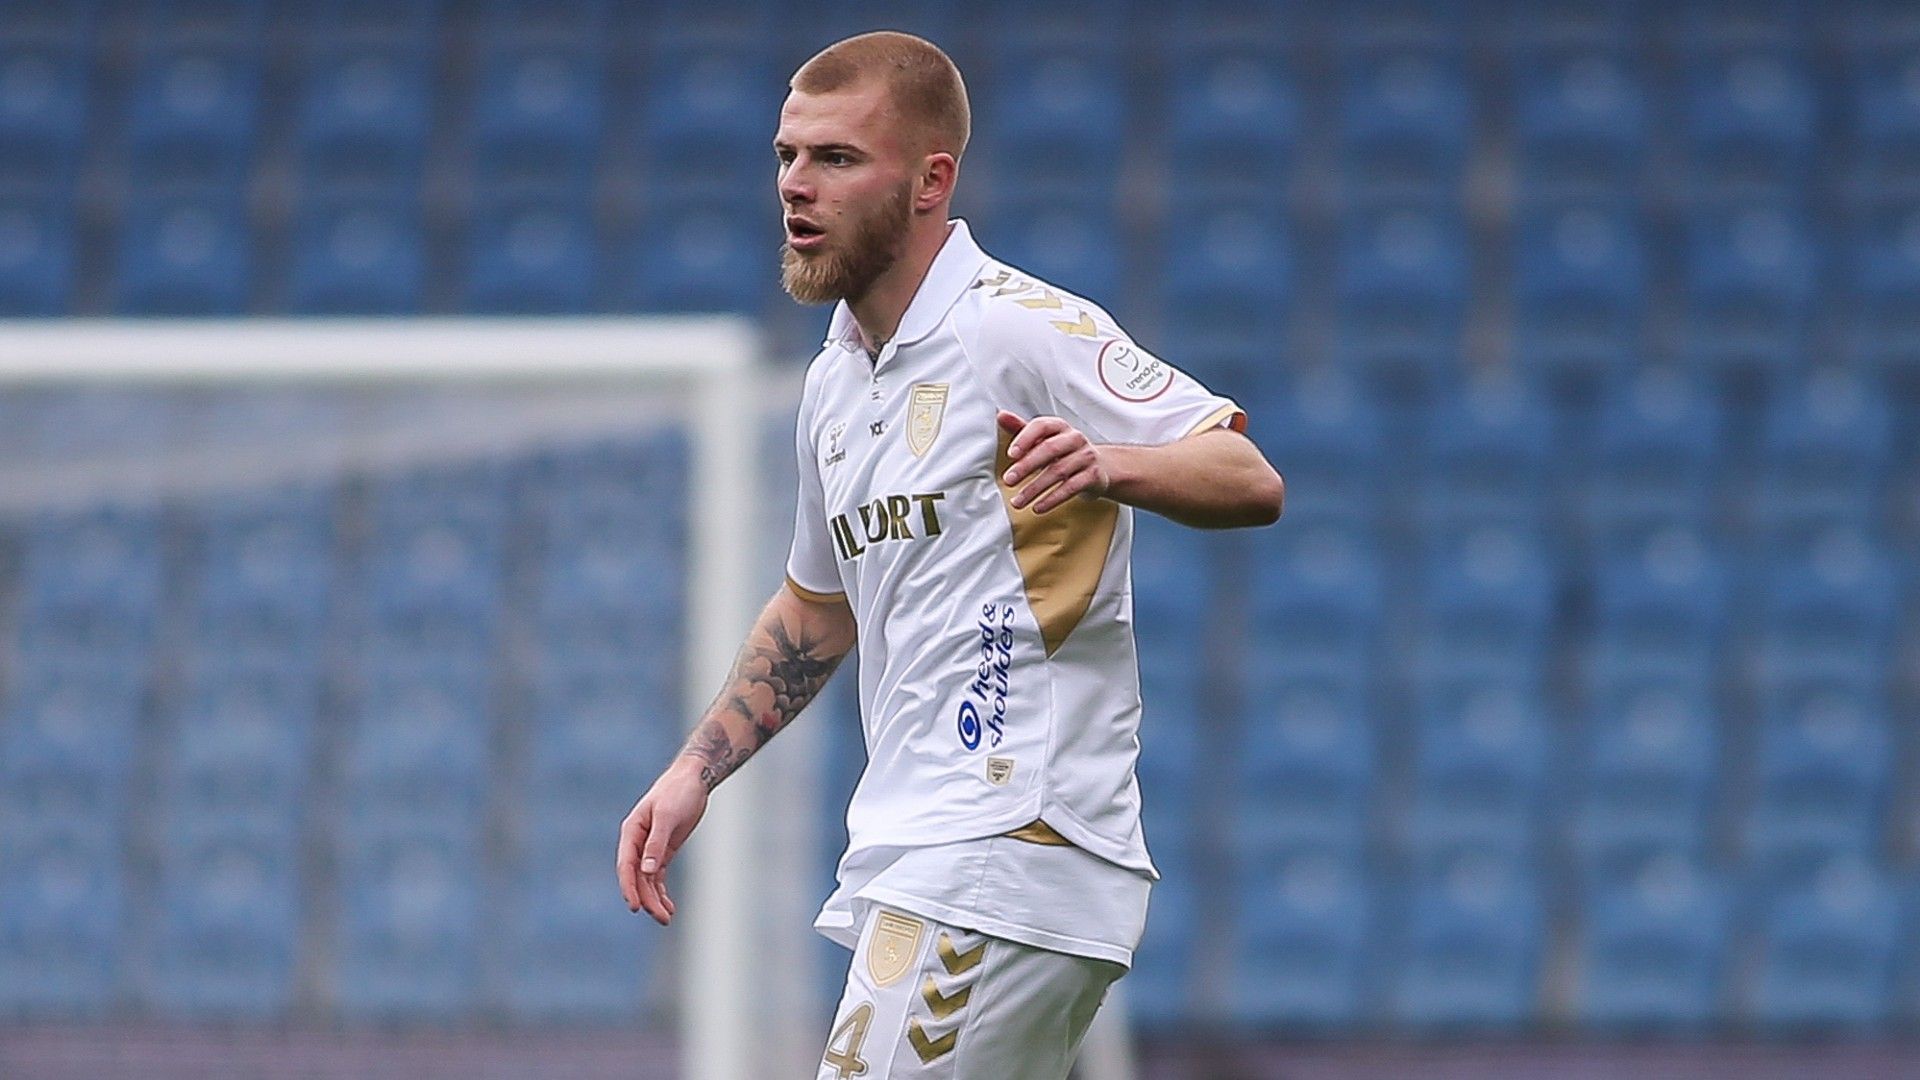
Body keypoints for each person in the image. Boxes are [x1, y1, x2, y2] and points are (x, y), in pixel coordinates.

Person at [616, 30, 1284, 1079]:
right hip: (925, 848)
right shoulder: (833, 385)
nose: (797, 184)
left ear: (932, 179)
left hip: (1009, 838)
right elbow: (816, 608)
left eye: (837, 159)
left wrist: (1108, 463)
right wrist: (697, 768)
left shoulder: (1017, 330)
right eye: (788, 155)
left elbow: (1248, 478)